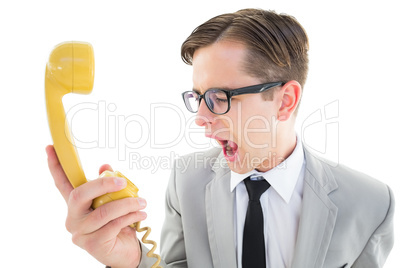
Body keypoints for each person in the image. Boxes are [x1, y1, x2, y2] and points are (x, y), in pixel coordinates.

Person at [46, 8, 394, 268]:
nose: (200, 118)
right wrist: (132, 257)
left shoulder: (371, 203)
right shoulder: (186, 182)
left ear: (284, 101)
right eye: (198, 97)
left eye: (219, 98)